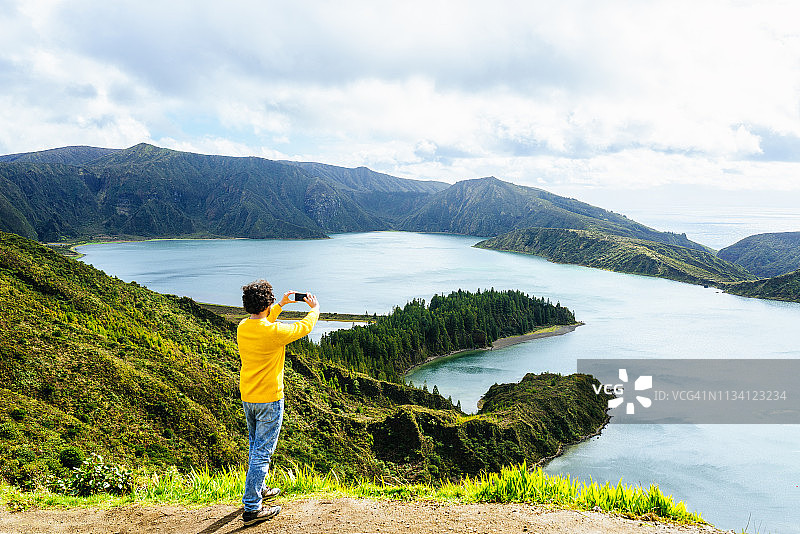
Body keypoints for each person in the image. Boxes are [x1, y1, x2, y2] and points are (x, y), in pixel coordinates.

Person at [237, 280, 319, 526]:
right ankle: (252, 507)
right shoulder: (274, 333)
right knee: (263, 452)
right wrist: (314, 309)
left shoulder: (243, 327)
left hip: (249, 397)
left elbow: (264, 319)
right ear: (267, 302)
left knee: (255, 447)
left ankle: (258, 489)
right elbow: (304, 327)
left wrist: (281, 304)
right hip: (270, 399)